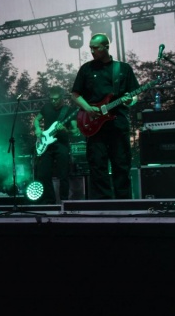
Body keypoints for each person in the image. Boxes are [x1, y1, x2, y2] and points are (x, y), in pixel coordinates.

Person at [71, 33, 139, 199]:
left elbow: (134, 94)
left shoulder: (123, 68)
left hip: (118, 123)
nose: (92, 51)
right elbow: (75, 94)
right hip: (95, 125)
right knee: (97, 164)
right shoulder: (86, 69)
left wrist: (130, 100)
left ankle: (124, 202)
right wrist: (88, 108)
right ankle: (103, 202)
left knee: (121, 164)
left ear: (106, 47)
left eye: (95, 48)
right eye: (90, 48)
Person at [33, 86, 80, 204]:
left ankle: (64, 201)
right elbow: (36, 120)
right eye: (51, 99)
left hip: (61, 145)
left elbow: (75, 131)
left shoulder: (68, 110)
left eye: (56, 99)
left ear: (62, 97)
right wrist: (38, 129)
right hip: (46, 145)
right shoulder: (46, 107)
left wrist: (65, 129)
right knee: (43, 174)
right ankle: (50, 200)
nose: (53, 101)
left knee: (63, 174)